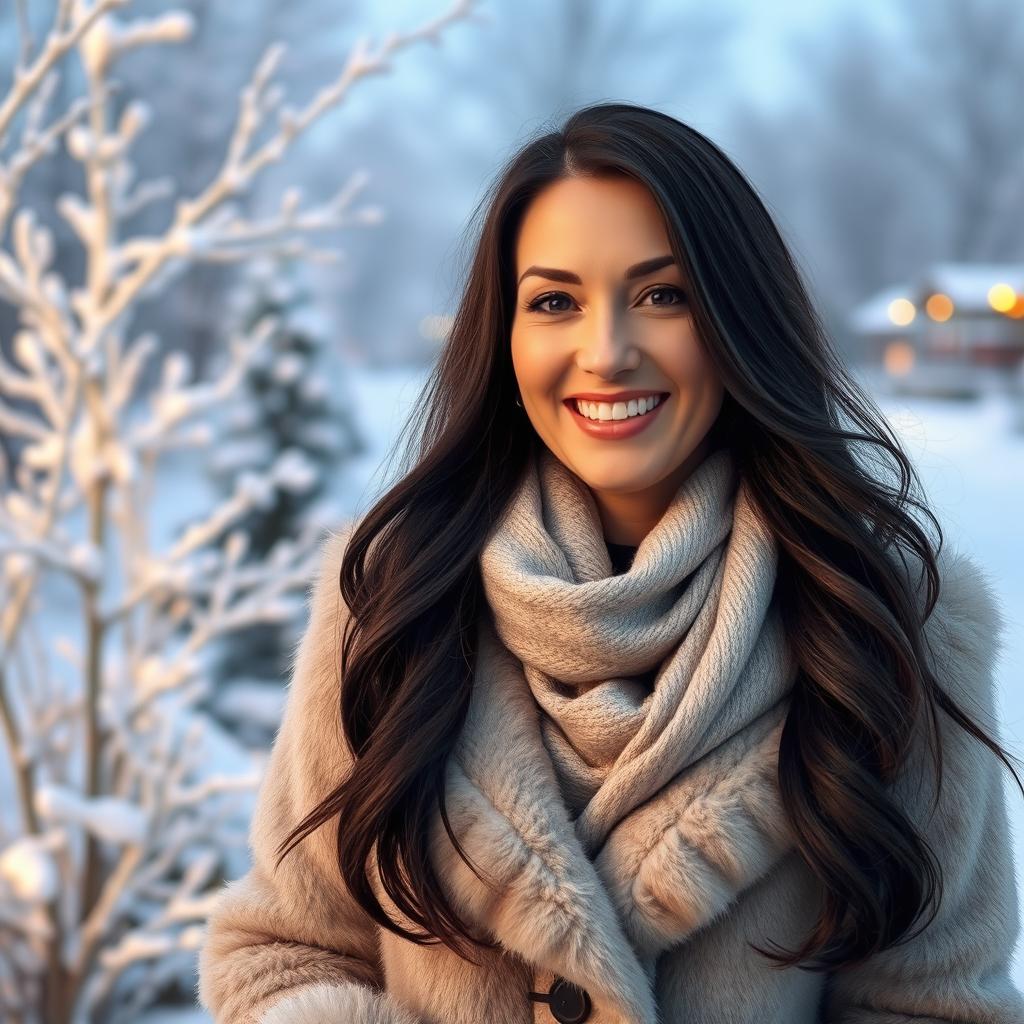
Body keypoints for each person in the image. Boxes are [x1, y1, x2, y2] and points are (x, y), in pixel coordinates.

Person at [197, 102, 1024, 1024]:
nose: (607, 352)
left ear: (736, 318)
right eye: (555, 302)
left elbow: (937, 1004)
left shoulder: (883, 617)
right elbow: (283, 953)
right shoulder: (393, 600)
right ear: (505, 337)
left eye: (662, 295)